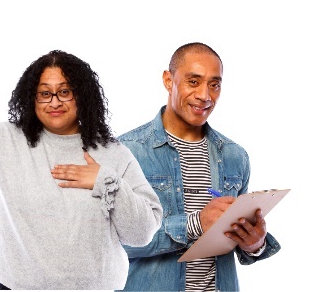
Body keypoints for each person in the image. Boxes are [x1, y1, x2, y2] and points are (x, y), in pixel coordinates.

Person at [0, 13, 163, 290]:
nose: (54, 102)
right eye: (44, 93)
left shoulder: (114, 154)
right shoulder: (2, 141)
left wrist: (106, 182)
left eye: (65, 92)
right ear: (31, 97)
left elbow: (142, 233)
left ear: (82, 96)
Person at [117, 42, 281, 291]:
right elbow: (110, 244)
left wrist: (254, 244)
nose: (205, 95)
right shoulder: (127, 151)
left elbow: (236, 240)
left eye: (214, 85)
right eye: (193, 82)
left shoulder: (235, 156)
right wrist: (195, 224)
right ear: (168, 80)